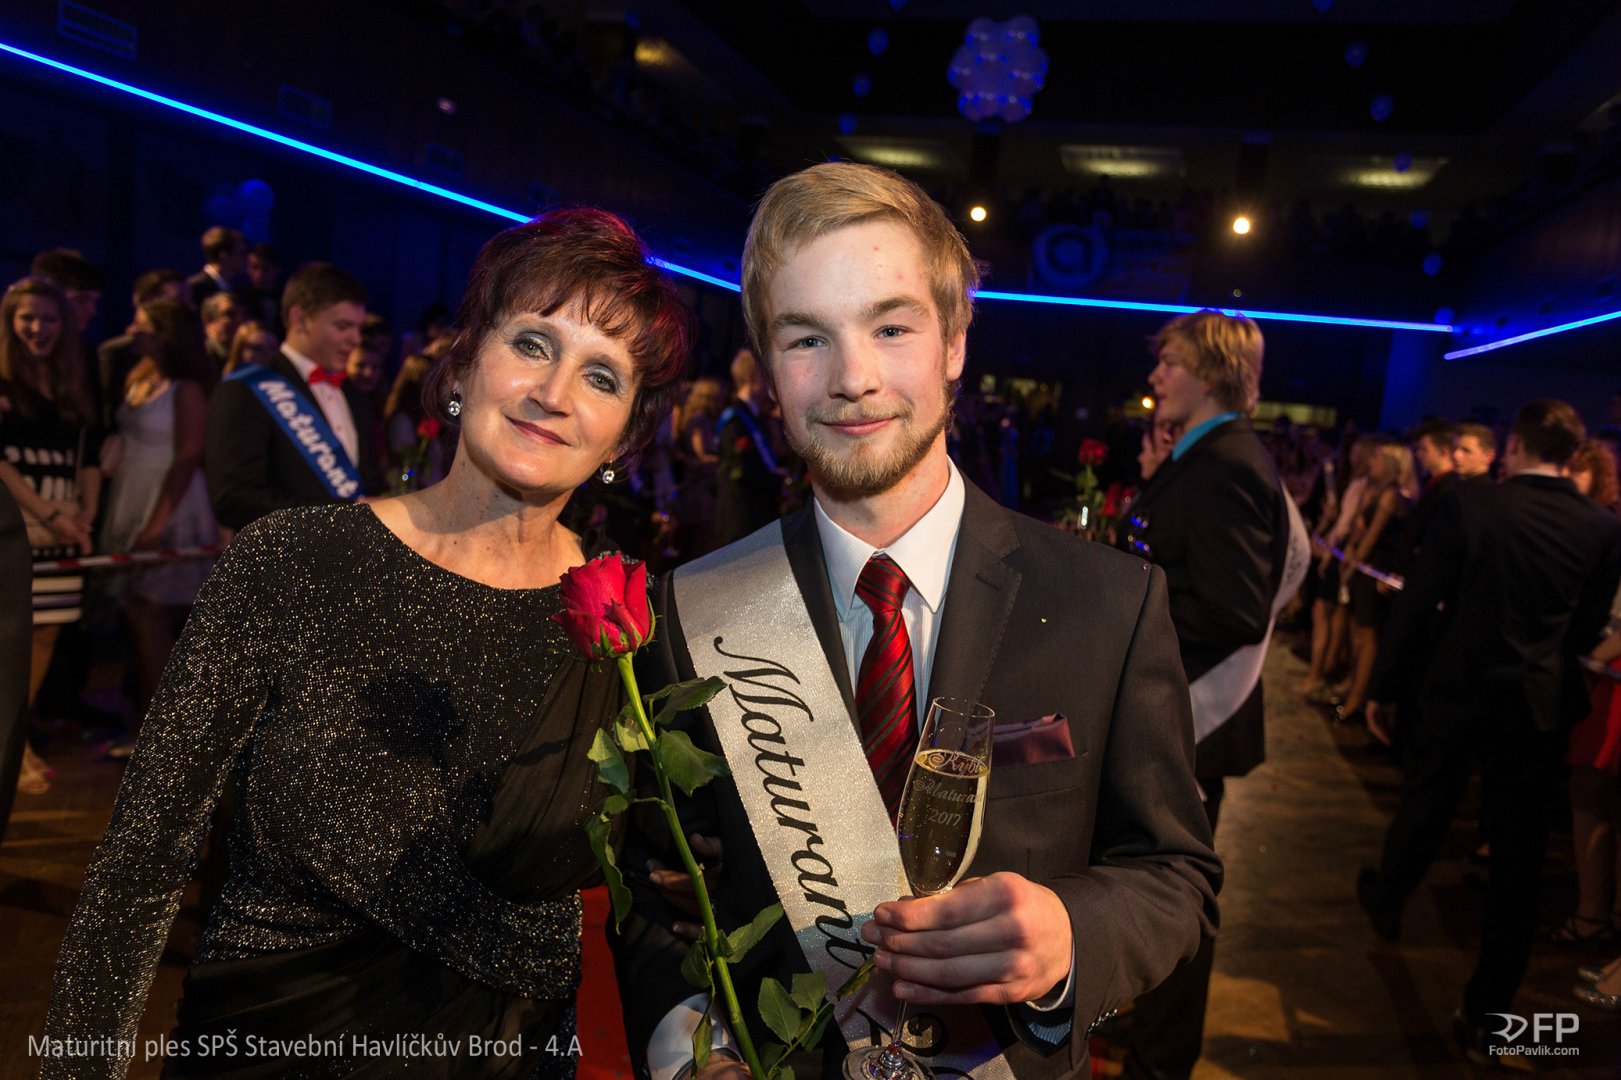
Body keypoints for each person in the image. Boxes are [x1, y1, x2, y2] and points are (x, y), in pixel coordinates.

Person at [42, 206, 694, 1078]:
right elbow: (140, 866)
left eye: (601, 376)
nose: (554, 393)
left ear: (626, 431)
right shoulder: (292, 561)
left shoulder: (633, 620)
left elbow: (662, 888)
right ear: (464, 361)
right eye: (532, 344)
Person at [611, 161, 1219, 1080]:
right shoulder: (690, 612)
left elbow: (1174, 874)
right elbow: (650, 892)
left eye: (890, 327)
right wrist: (685, 1049)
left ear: (954, 343)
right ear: (767, 368)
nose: (852, 378)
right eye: (806, 338)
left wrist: (1067, 935)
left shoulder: (1109, 602)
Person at [1357, 399, 1621, 1065]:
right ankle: (1487, 1012)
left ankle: (1388, 896)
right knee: (1518, 860)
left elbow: (1419, 602)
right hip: (1536, 703)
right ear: (1571, 454)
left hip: (1459, 686)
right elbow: (1587, 625)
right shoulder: (1601, 525)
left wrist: (1384, 687)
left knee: (1427, 801)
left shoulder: (1473, 505)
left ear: (1513, 446)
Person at [1107, 310, 1294, 1080]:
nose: (1155, 375)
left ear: (1213, 373)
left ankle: (1161, 1057)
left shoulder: (1227, 463)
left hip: (1193, 717)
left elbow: (1234, 609)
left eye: (1170, 362)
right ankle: (1152, 1026)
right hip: (1177, 712)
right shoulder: (1205, 454)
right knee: (1153, 882)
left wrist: (1121, 618)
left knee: (1175, 893)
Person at [97, 300, 220, 749]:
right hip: (129, 492)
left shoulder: (187, 387)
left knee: (151, 615)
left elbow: (187, 456)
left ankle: (164, 733)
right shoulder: (140, 373)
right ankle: (149, 722)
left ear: (165, 333)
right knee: (136, 614)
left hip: (168, 500)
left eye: (142, 324)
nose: (132, 329)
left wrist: (154, 527)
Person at [0, 277, 101, 797]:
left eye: (49, 319)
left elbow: (90, 456)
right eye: (28, 318)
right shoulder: (3, 381)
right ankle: (10, 748)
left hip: (62, 524)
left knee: (45, 636)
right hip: (14, 522)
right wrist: (47, 513)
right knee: (11, 639)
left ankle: (16, 741)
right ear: (9, 322)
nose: (38, 328)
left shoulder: (73, 381)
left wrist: (85, 516)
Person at [204, 261, 384, 529]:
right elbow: (233, 501)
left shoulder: (355, 396)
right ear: (300, 320)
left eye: (358, 328)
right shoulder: (246, 389)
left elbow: (366, 484)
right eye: (343, 326)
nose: (356, 339)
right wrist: (339, 517)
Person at [712, 347, 783, 545]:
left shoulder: (753, 416)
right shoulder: (734, 419)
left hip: (753, 515)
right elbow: (740, 469)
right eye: (765, 377)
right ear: (752, 379)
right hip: (741, 518)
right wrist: (776, 481)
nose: (769, 384)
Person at [187, 225, 247, 307]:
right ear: (223, 256)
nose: (247, 258)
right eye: (241, 253)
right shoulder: (194, 288)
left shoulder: (238, 289)